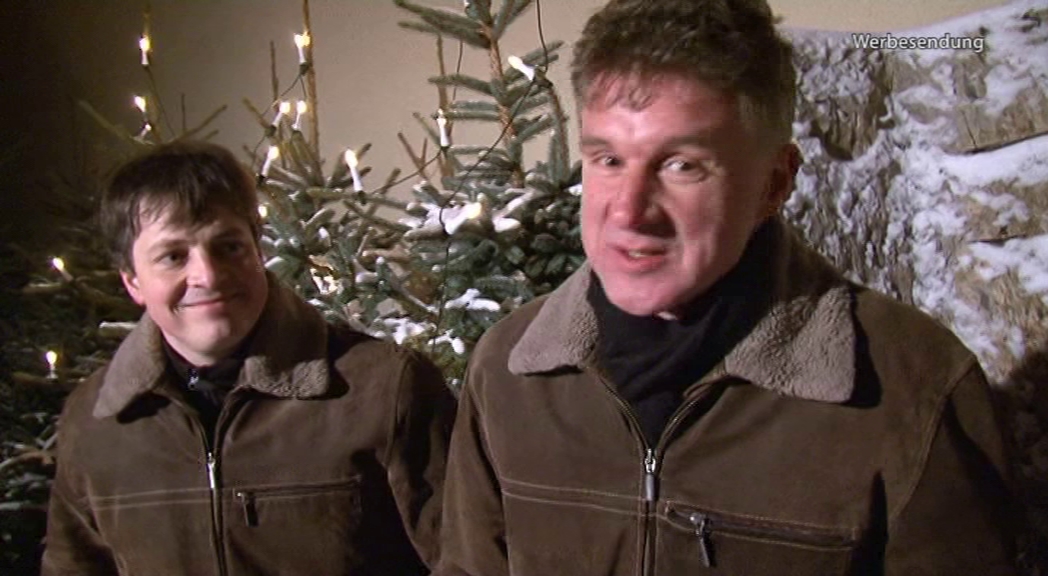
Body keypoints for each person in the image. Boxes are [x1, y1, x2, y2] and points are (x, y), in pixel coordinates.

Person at [436, 0, 1019, 574]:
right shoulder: (507, 370)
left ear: (775, 183)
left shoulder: (912, 385)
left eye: (682, 165)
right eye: (608, 159)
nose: (629, 211)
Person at [41, 141, 455, 575]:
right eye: (173, 256)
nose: (207, 275)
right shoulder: (94, 420)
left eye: (228, 247)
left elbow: (466, 558)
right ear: (133, 282)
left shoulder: (385, 389)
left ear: (258, 250)